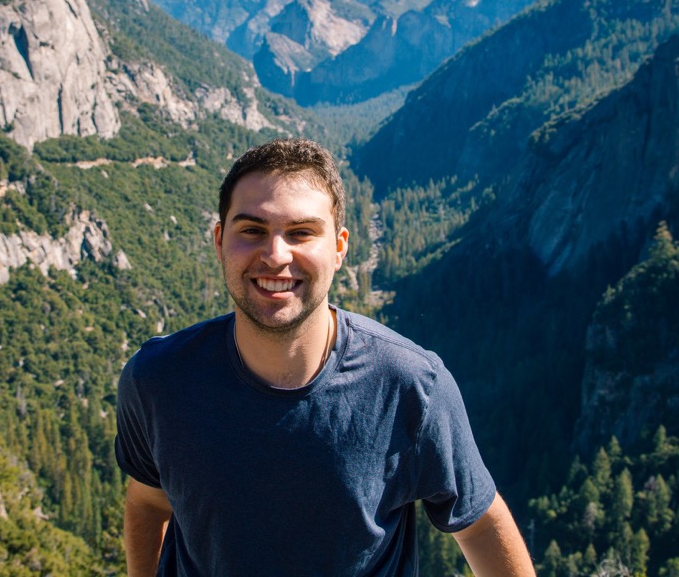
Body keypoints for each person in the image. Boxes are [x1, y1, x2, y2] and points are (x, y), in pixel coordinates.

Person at [116, 138, 536, 576]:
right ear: (221, 241)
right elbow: (148, 500)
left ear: (339, 248)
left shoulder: (411, 388)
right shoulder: (158, 380)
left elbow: (481, 527)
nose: (276, 255)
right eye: (252, 230)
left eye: (301, 232)